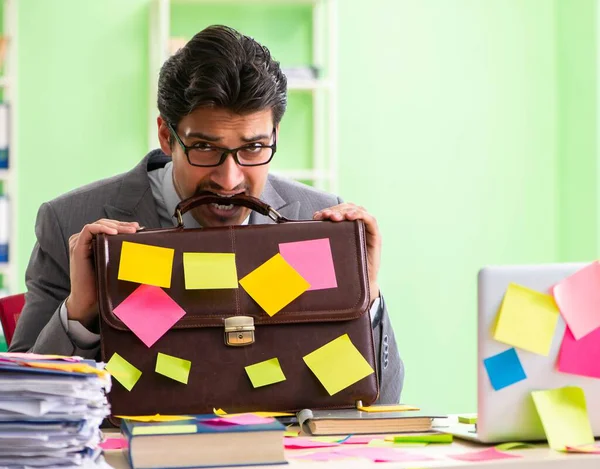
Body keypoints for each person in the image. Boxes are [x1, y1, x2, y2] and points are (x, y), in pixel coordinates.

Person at [9, 25, 404, 403]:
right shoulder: (71, 223)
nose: (229, 178)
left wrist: (366, 300)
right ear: (167, 136)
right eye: (204, 148)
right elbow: (20, 401)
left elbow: (382, 400)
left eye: (253, 148)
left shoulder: (319, 223)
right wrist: (80, 314)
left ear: (276, 136)